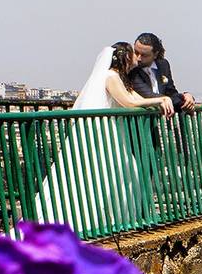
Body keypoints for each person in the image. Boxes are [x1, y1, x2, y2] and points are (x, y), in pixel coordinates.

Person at [33, 43, 172, 232]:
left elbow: (136, 98)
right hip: (106, 132)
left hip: (114, 132)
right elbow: (129, 102)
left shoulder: (119, 78)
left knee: (120, 172)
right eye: (133, 54)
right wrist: (161, 100)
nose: (136, 59)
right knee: (106, 173)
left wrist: (161, 99)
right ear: (125, 57)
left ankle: (111, 220)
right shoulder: (111, 77)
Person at [128, 33, 195, 114]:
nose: (138, 58)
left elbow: (171, 92)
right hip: (142, 120)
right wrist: (182, 99)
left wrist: (187, 96)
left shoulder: (163, 65)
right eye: (136, 52)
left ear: (155, 54)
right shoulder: (131, 69)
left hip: (162, 119)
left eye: (144, 55)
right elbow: (148, 95)